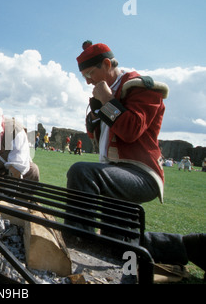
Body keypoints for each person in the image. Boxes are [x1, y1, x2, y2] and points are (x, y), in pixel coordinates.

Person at [65, 40, 205, 277]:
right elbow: (101, 137)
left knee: (81, 172)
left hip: (141, 173)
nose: (88, 80)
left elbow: (130, 130)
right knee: (118, 245)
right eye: (85, 76)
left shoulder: (140, 87)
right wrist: (97, 113)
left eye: (90, 73)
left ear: (107, 64)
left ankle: (80, 248)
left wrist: (108, 102)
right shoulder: (109, 92)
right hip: (114, 173)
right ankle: (193, 247)